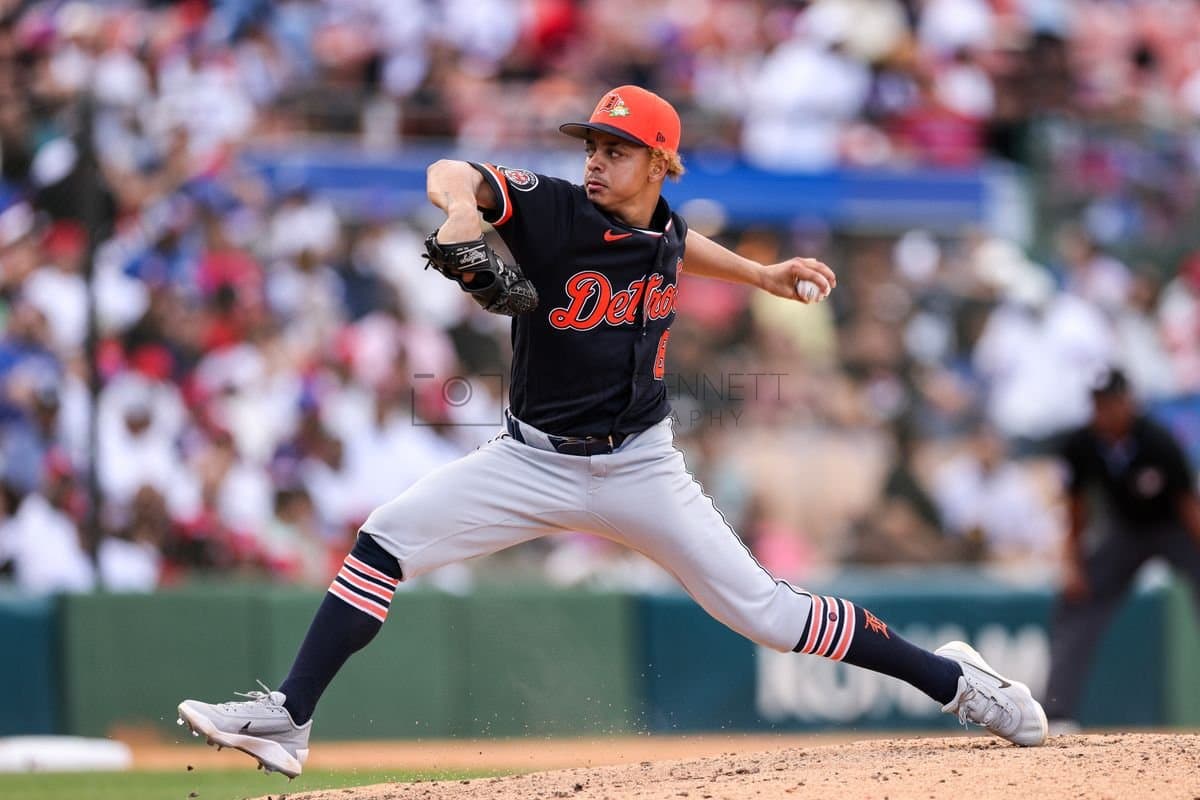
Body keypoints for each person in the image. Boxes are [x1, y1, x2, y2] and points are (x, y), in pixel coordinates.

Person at [176, 85, 1047, 778]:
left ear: (661, 162)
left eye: (616, 149)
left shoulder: (661, 223)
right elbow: (452, 169)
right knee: (383, 541)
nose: (596, 161)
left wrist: (761, 276)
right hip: (530, 461)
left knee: (771, 616)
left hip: (641, 468)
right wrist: (463, 216)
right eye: (592, 145)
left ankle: (960, 681)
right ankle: (290, 718)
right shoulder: (553, 210)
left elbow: (676, 243)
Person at [1043, 367, 1200, 726]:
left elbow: (1189, 506)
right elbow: (1076, 508)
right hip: (1126, 531)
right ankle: (1058, 713)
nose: (1104, 412)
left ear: (1127, 402)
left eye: (1110, 403)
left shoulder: (1157, 440)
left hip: (1175, 529)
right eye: (1098, 404)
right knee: (1077, 602)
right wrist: (1072, 562)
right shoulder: (1082, 444)